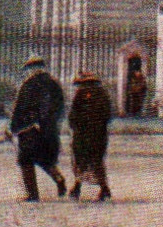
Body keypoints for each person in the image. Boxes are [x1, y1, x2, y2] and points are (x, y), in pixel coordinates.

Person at [10, 55, 68, 202]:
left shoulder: (29, 84)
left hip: (29, 129)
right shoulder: (54, 84)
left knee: (26, 160)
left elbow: (21, 107)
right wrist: (52, 123)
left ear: (32, 69)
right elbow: (60, 107)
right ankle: (58, 178)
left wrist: (15, 126)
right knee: (45, 159)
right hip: (48, 129)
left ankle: (33, 194)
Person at [67, 70, 114, 202]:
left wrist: (75, 126)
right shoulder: (103, 94)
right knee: (96, 161)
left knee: (81, 161)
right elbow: (107, 115)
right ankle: (103, 188)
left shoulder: (81, 94)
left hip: (82, 134)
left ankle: (78, 188)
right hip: (98, 135)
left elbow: (73, 115)